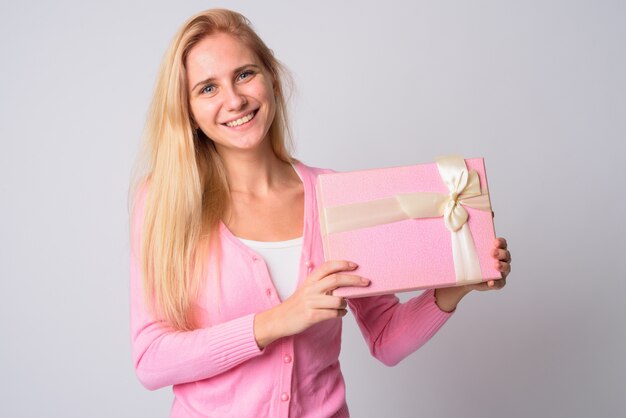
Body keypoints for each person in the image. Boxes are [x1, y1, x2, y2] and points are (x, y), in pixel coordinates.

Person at [129, 8, 512, 418]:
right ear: (187, 110)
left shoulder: (336, 196)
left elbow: (385, 338)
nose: (234, 99)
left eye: (244, 74)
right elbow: (152, 359)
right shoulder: (164, 200)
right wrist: (277, 320)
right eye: (207, 88)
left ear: (271, 78)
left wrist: (457, 287)